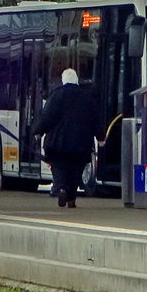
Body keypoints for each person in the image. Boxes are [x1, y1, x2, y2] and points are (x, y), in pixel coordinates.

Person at [31, 68, 100, 209]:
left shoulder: (56, 95)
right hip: (81, 143)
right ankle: (71, 199)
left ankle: (61, 188)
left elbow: (47, 117)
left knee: (59, 168)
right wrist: (101, 137)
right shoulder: (86, 97)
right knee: (75, 170)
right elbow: (95, 119)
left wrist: (38, 131)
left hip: (58, 142)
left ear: (63, 80)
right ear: (77, 80)